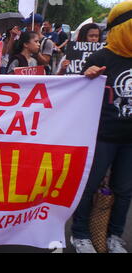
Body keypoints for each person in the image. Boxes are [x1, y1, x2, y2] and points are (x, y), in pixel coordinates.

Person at [70, 0, 132, 253]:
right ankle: (80, 234)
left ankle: (114, 235)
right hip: (101, 137)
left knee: (125, 191)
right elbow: (76, 94)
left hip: (130, 140)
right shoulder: (99, 57)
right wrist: (86, 76)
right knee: (89, 185)